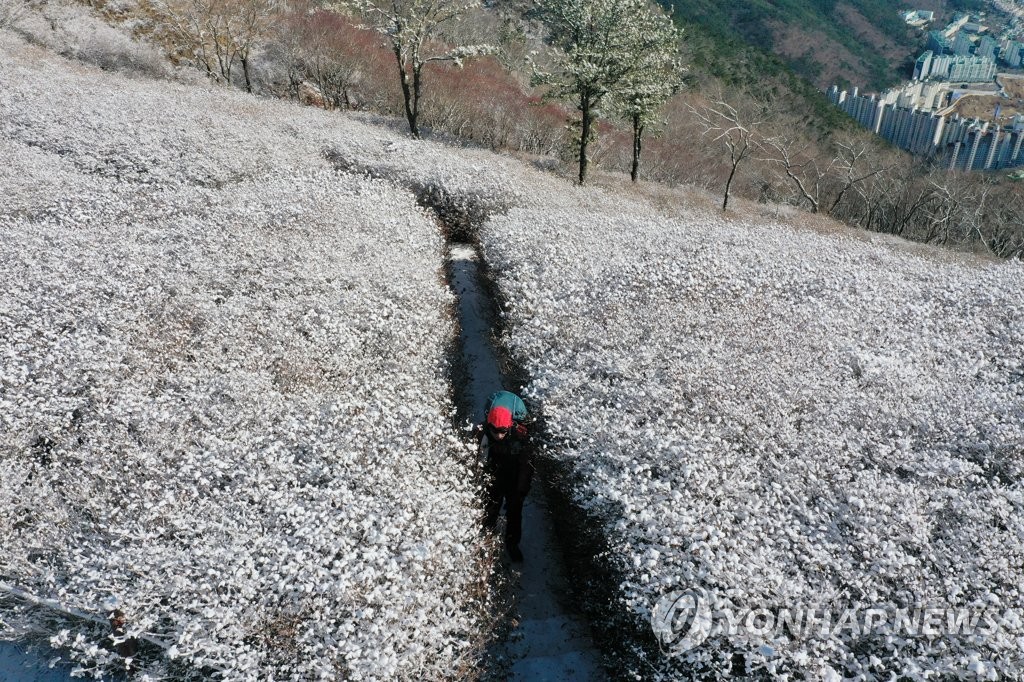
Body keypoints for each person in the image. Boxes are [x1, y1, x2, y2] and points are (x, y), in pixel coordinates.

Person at [478, 390, 533, 562]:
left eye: (502, 431)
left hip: (514, 480)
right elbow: (479, 456)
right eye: (495, 430)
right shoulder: (484, 434)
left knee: (514, 514)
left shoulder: (520, 439)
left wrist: (521, 491)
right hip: (494, 477)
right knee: (490, 509)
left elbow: (526, 467)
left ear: (509, 426)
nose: (499, 435)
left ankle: (512, 545)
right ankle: (486, 540)